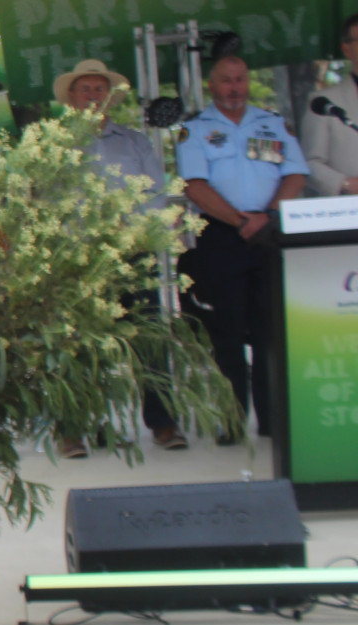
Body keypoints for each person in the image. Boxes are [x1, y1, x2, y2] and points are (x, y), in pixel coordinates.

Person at [54, 58, 187, 452]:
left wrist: (133, 234)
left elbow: (155, 194)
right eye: (86, 90)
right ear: (72, 98)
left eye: (100, 89)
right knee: (77, 344)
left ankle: (163, 423)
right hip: (80, 259)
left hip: (132, 254)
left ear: (109, 96)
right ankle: (75, 427)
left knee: (148, 338)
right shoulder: (55, 143)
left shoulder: (134, 141)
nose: (94, 97)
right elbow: (47, 199)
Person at [177, 49, 310, 440]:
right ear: (211, 85)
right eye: (227, 80)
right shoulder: (195, 129)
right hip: (221, 235)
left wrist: (265, 217)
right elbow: (195, 187)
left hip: (269, 232)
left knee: (271, 330)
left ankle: (273, 420)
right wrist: (240, 221)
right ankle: (232, 421)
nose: (235, 88)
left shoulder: (271, 124)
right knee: (227, 331)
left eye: (240, 80)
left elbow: (295, 176)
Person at [303, 12, 358, 196]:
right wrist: (346, 183)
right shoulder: (325, 102)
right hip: (349, 213)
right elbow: (310, 162)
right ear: (347, 49)